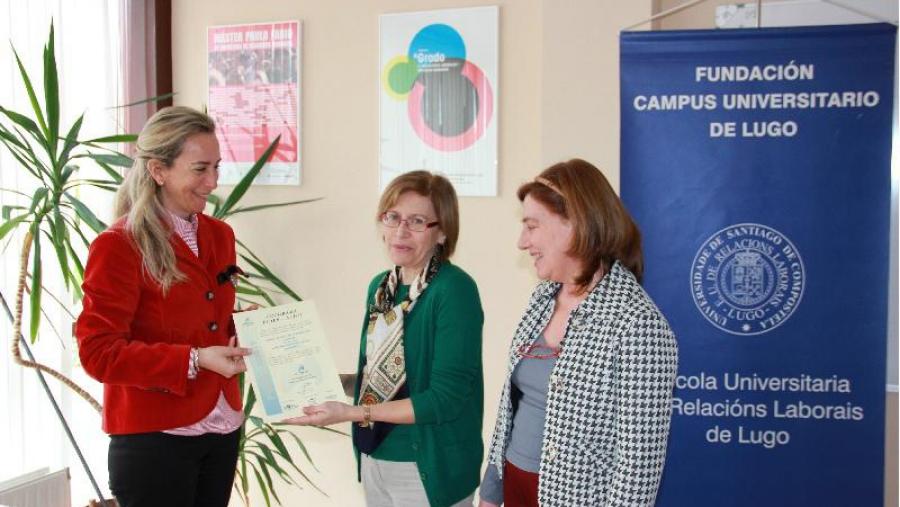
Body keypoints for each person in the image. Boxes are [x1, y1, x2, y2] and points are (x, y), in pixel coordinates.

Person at [76, 106, 251, 507]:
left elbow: (207, 319)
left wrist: (248, 328)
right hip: (154, 439)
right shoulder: (119, 244)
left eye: (217, 167)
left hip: (221, 426)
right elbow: (97, 352)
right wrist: (194, 359)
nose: (213, 182)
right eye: (200, 169)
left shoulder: (220, 234)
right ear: (158, 170)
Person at [479, 159, 678, 507]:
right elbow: (511, 407)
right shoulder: (542, 298)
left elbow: (637, 472)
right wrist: (491, 492)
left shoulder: (638, 325)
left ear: (575, 224)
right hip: (515, 486)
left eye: (532, 225)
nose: (522, 242)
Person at [285, 171, 484, 507]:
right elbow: (385, 378)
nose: (400, 231)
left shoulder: (453, 290)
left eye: (418, 221)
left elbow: (444, 398)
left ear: (443, 232)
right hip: (375, 457)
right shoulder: (382, 288)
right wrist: (334, 383)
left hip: (428, 468)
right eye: (392, 217)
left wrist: (350, 412)